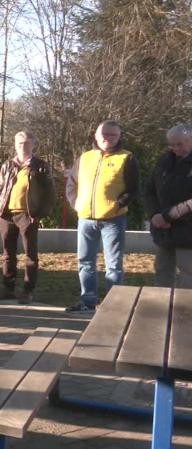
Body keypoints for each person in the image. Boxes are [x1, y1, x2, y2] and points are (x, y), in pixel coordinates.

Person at [65, 121, 140, 313]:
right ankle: (87, 302)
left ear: (119, 136)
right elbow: (72, 184)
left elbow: (133, 189)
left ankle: (113, 307)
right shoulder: (85, 158)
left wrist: (117, 205)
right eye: (104, 134)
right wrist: (76, 205)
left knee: (113, 265)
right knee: (85, 262)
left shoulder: (127, 158)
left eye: (113, 135)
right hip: (85, 219)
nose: (108, 138)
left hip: (113, 220)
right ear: (96, 136)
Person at [0, 131, 54, 304]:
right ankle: (7, 288)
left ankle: (28, 290)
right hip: (6, 214)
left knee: (30, 254)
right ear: (15, 145)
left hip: (28, 215)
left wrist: (39, 214)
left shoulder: (40, 166)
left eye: (27, 143)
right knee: (7, 253)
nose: (23, 146)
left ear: (33, 144)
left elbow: (49, 194)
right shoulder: (8, 165)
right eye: (19, 143)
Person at [144, 124, 192, 287]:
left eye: (179, 144)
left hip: (188, 231)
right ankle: (163, 311)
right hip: (164, 231)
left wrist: (167, 216)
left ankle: (186, 312)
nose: (175, 148)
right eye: (172, 144)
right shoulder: (165, 161)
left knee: (188, 277)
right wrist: (154, 215)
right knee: (163, 274)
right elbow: (149, 189)